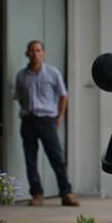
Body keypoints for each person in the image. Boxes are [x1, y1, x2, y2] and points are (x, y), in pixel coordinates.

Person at [14, 40, 80, 207]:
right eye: (32, 50)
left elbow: (63, 95)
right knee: (30, 159)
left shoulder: (52, 73)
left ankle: (66, 193)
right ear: (27, 53)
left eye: (38, 50)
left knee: (56, 157)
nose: (35, 54)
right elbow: (20, 98)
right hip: (28, 120)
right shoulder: (21, 76)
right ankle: (37, 194)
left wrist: (59, 117)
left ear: (43, 53)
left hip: (47, 120)